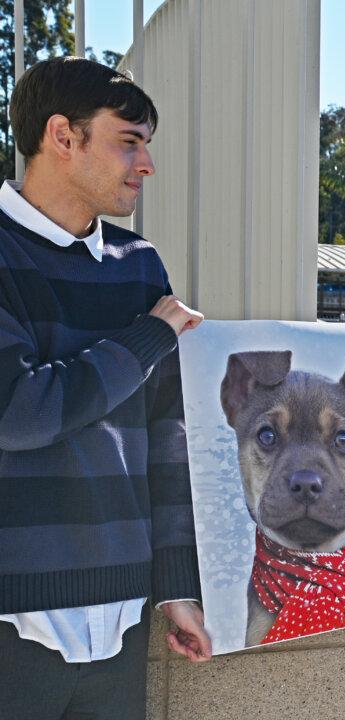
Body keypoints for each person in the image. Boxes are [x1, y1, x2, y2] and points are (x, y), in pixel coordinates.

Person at [0, 58, 211, 720]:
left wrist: (177, 585)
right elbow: (18, 411)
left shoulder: (139, 264)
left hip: (122, 618)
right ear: (62, 136)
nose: (145, 164)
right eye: (129, 141)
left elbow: (167, 440)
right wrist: (146, 341)